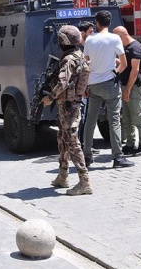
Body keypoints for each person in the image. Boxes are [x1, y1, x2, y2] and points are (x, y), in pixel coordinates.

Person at [41, 25, 92, 196]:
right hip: (69, 105)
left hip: (70, 106)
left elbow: (62, 83)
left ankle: (84, 182)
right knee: (62, 138)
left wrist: (50, 98)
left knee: (72, 141)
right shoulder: (78, 55)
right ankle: (62, 176)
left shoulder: (69, 59)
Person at [82, 10, 135, 168]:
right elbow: (124, 64)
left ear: (97, 23)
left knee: (90, 121)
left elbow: (87, 63)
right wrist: (114, 73)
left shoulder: (89, 40)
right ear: (109, 23)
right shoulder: (114, 39)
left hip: (93, 84)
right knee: (114, 121)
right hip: (110, 84)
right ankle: (118, 157)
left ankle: (87, 156)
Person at [113, 26, 141, 156]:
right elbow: (125, 64)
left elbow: (135, 70)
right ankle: (130, 144)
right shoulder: (126, 48)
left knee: (137, 117)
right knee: (127, 117)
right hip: (125, 85)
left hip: (134, 86)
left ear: (122, 36)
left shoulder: (135, 48)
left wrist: (127, 89)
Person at [77, 21, 94, 146]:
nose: (93, 34)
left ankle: (86, 144)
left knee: (88, 117)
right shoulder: (77, 49)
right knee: (81, 117)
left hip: (91, 87)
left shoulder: (91, 46)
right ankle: (81, 144)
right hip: (81, 89)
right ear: (82, 33)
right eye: (90, 32)